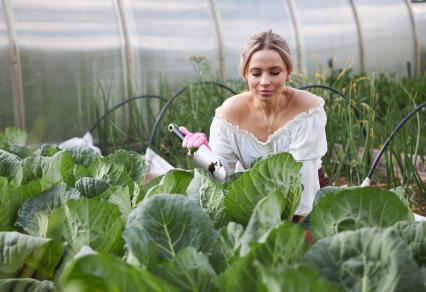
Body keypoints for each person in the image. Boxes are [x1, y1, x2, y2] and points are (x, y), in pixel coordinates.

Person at [180, 30, 327, 221]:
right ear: (245, 74)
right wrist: (203, 154)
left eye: (275, 72)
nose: (265, 82)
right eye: (256, 73)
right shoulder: (228, 114)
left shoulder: (308, 110)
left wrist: (292, 232)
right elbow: (223, 175)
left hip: (307, 204)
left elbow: (304, 187)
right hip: (251, 204)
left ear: (288, 73)